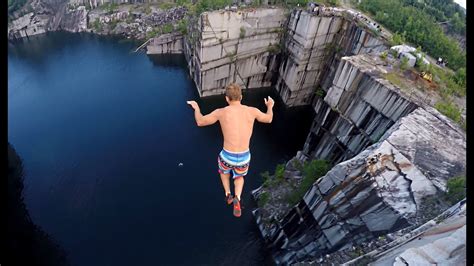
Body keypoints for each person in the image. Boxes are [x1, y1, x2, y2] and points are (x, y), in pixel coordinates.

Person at [186, 83, 274, 217]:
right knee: (239, 177)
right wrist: (270, 106)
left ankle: (228, 194)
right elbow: (268, 119)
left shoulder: (221, 112)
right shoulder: (252, 111)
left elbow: (200, 122)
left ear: (227, 98)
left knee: (224, 172)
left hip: (227, 156)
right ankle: (237, 197)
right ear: (241, 97)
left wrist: (196, 107)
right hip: (244, 157)